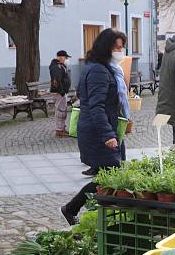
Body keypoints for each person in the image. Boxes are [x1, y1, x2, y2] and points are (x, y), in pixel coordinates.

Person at [61, 29, 128, 223]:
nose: (120, 50)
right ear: (106, 47)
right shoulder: (98, 70)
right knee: (108, 175)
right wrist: (108, 135)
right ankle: (73, 209)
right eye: (117, 46)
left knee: (109, 175)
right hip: (98, 132)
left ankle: (78, 210)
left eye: (122, 46)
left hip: (100, 128)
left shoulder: (99, 67)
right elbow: (96, 106)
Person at [50, 50, 72, 138]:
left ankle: (62, 128)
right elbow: (56, 80)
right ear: (60, 57)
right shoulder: (56, 66)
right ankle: (59, 130)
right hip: (60, 93)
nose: (66, 59)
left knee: (63, 110)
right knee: (60, 111)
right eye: (65, 57)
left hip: (62, 92)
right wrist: (62, 91)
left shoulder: (61, 66)